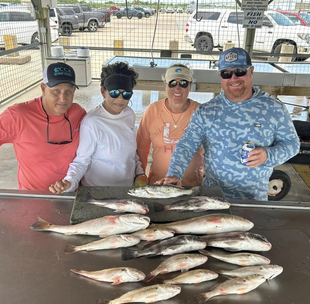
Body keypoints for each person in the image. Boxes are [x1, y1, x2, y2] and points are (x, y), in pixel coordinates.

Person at [157, 48, 300, 201]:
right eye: (226, 73)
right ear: (221, 76)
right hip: (211, 198)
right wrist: (174, 174)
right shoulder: (206, 111)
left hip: (254, 199)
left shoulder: (274, 109)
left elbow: (292, 144)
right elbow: (187, 144)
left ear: (251, 71)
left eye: (239, 71)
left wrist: (268, 155)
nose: (233, 78)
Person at [49, 62, 145, 194]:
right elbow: (82, 161)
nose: (120, 99)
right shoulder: (92, 122)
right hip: (97, 193)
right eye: (114, 92)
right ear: (103, 91)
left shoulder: (129, 114)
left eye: (126, 94)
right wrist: (70, 182)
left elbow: (131, 153)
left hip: (126, 190)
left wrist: (139, 173)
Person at [0, 62, 86, 191]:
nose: (63, 98)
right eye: (56, 90)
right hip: (35, 197)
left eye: (68, 91)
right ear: (43, 89)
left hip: (71, 193)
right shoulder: (18, 115)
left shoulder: (78, 113)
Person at [136, 64, 204, 186]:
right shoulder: (152, 110)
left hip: (191, 186)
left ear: (190, 85)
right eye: (172, 83)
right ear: (165, 85)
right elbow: (142, 147)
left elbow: (213, 148)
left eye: (183, 83)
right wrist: (140, 175)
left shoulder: (200, 112)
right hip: (158, 185)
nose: (177, 88)